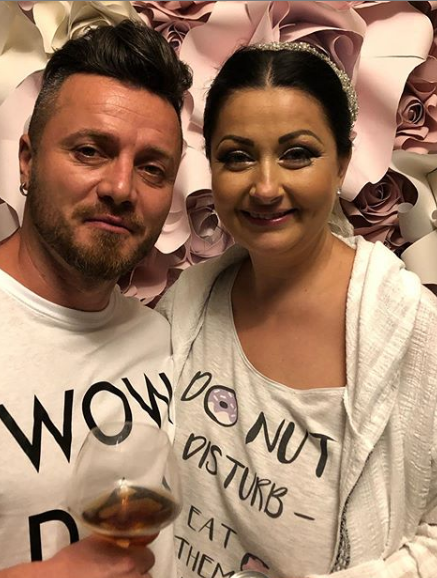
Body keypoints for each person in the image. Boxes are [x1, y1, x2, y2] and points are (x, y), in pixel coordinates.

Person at [0, 20, 191, 578]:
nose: (121, 188)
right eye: (90, 151)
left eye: (152, 168)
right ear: (26, 159)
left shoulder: (166, 338)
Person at [157, 41, 437, 578]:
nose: (265, 187)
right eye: (237, 156)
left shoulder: (413, 331)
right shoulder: (188, 306)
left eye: (297, 154)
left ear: (342, 164)